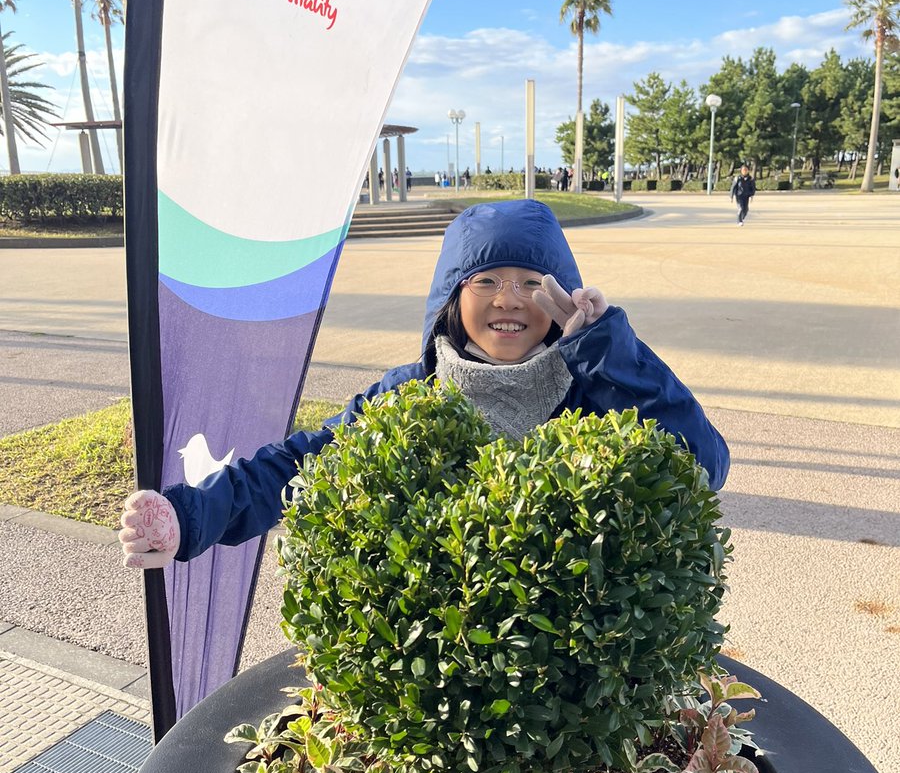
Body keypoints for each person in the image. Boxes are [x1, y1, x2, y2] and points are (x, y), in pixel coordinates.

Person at [119, 200, 729, 569]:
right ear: (451, 297)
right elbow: (299, 466)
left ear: (561, 295)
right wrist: (191, 515)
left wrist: (603, 346)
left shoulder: (596, 390)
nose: (508, 300)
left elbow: (705, 460)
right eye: (485, 281)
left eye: (528, 282)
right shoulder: (411, 396)